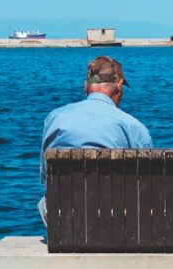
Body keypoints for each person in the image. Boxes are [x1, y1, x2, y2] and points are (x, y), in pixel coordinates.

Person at [38, 55, 152, 225]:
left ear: (86, 87)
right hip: (116, 223)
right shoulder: (134, 127)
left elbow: (45, 176)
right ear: (119, 87)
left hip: (64, 221)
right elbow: (145, 183)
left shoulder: (55, 118)